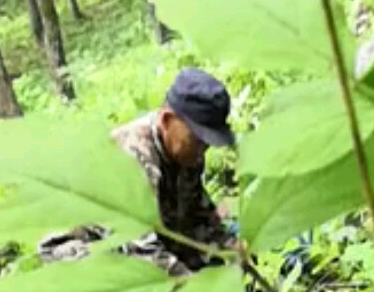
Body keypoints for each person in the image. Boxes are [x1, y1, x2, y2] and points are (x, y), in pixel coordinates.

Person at [40, 68, 234, 274]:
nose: (203, 150)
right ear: (167, 120)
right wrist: (194, 290)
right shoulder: (134, 156)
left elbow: (198, 216)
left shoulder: (187, 155)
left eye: (208, 142)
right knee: (128, 276)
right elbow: (141, 250)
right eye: (198, 140)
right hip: (84, 247)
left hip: (146, 239)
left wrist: (229, 248)